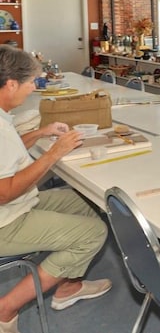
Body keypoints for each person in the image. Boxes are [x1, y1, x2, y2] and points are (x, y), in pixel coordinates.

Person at [0, 45, 111, 333]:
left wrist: (39, 133)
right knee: (93, 233)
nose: (31, 90)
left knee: (88, 201)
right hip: (6, 220)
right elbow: (5, 192)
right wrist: (54, 153)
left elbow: (6, 157)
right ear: (11, 84)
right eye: (29, 84)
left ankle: (68, 287)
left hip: (16, 207)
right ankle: (6, 308)